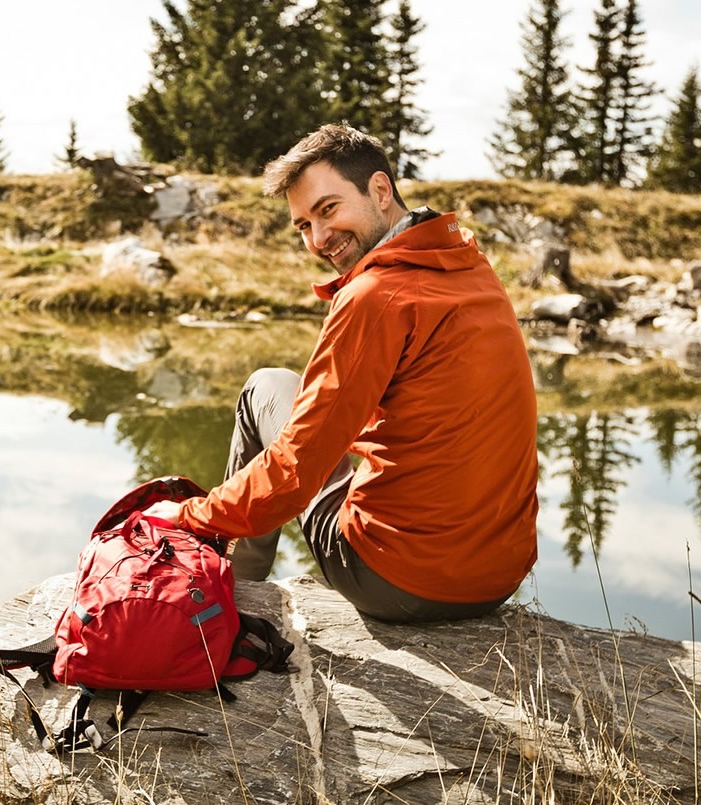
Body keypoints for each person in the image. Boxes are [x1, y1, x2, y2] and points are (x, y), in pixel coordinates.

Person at [143, 124, 538, 623]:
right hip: (496, 579)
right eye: (303, 226)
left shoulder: (375, 295)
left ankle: (229, 591)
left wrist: (186, 516)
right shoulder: (468, 265)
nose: (319, 239)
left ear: (379, 189)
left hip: (396, 580)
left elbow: (295, 470)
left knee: (265, 387)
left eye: (328, 210)